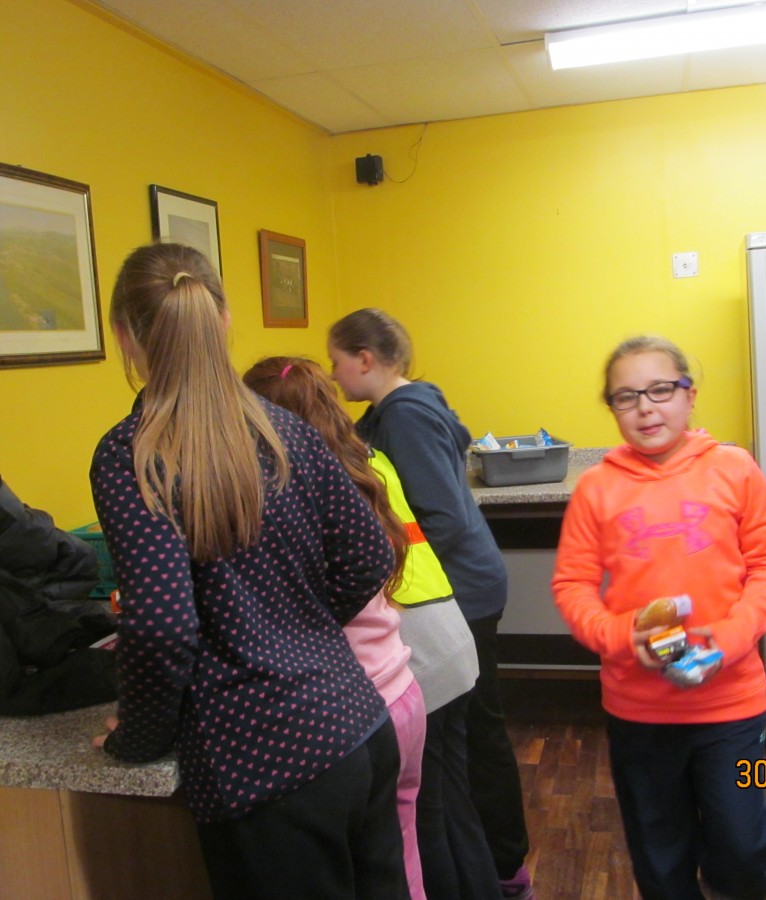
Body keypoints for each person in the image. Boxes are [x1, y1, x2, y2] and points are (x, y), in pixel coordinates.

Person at [88, 243, 408, 900]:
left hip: (269, 765)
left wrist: (139, 738)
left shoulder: (134, 454)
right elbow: (370, 556)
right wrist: (295, 626)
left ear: (123, 335)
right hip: (358, 726)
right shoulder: (282, 428)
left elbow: (163, 625)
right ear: (224, 319)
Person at [243, 356, 499, 900]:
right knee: (453, 804)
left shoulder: (305, 479)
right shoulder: (365, 455)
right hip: (445, 632)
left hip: (413, 648)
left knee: (427, 823)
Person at [550, 335, 766, 900]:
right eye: (626, 396)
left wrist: (730, 638)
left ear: (689, 395)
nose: (645, 408)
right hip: (639, 711)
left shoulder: (734, 469)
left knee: (742, 847)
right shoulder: (596, 488)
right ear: (612, 408)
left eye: (660, 390)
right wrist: (621, 635)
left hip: (731, 704)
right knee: (660, 859)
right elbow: (572, 586)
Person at [328, 310, 534, 900]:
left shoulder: (405, 417)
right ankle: (493, 862)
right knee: (470, 737)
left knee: (478, 736)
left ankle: (505, 866)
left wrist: (394, 580)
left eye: (337, 361)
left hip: (460, 590)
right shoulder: (400, 409)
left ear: (365, 359)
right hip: (465, 584)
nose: (334, 374)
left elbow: (438, 517)